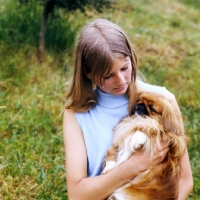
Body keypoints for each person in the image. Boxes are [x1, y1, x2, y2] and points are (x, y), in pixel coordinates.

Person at [63, 18, 193, 200]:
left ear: (131, 57)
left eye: (125, 67)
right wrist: (134, 165)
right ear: (88, 72)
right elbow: (77, 195)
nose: (122, 80)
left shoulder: (164, 102)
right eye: (108, 75)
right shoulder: (77, 113)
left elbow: (185, 181)